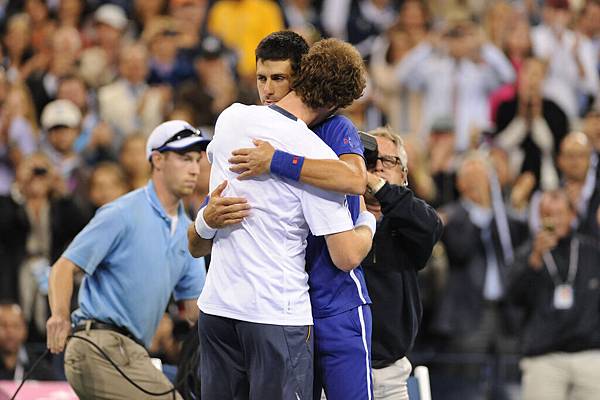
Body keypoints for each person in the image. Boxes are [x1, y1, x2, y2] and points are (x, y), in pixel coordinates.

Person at [189, 38, 375, 400]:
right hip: (277, 313)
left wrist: (207, 219)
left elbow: (214, 174)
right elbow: (346, 254)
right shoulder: (316, 156)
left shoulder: (231, 118)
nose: (268, 89)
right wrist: (368, 222)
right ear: (335, 103)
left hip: (216, 310)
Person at [45, 120, 207, 400]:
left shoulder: (190, 231)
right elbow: (63, 267)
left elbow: (195, 311)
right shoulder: (122, 212)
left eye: (197, 160)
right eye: (184, 159)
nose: (194, 169)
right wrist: (59, 315)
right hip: (96, 345)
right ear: (157, 160)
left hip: (133, 354)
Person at [361, 127, 443, 400]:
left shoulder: (410, 224)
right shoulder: (335, 216)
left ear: (404, 176)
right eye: (370, 159)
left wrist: (380, 189)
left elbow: (430, 226)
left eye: (389, 161)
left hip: (390, 375)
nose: (379, 167)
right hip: (335, 367)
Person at [508, 190, 600, 400]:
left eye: (559, 213)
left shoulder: (591, 251)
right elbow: (513, 298)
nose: (554, 220)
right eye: (547, 214)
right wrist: (535, 260)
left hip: (590, 355)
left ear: (572, 215)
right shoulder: (527, 252)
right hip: (544, 356)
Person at [0, 302, 57, 381]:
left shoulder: (39, 367)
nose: (10, 331)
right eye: (3, 325)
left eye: (16, 326)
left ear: (25, 330)